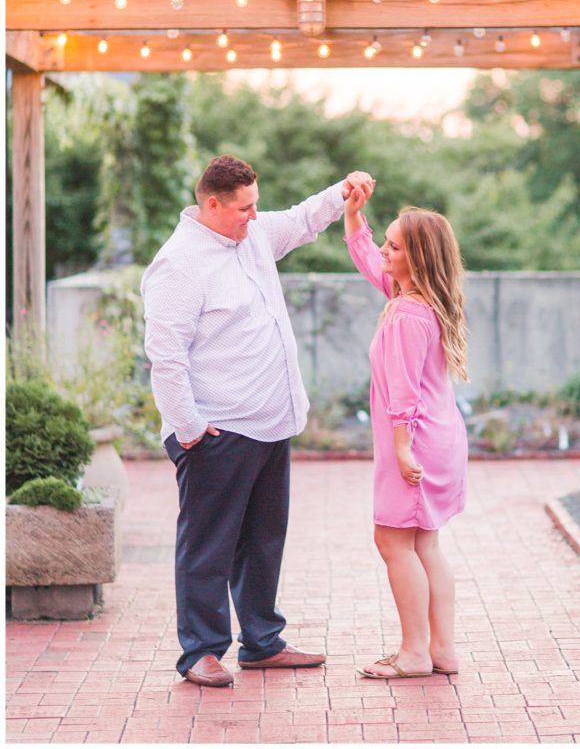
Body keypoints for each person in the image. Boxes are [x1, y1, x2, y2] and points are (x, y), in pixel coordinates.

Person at [141, 154, 374, 687]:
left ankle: (262, 642)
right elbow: (167, 357)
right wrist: (191, 430)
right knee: (207, 546)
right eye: (244, 207)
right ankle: (200, 651)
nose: (254, 214)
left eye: (256, 204)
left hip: (271, 423)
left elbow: (301, 218)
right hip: (217, 433)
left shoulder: (253, 235)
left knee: (264, 540)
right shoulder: (179, 264)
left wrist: (344, 191)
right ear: (213, 203)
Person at [343, 188, 469, 679]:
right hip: (437, 439)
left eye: (393, 246)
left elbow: (403, 391)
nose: (384, 253)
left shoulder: (404, 314)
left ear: (415, 258)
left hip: (415, 442)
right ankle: (442, 650)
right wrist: (354, 217)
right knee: (424, 545)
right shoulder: (419, 300)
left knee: (394, 542)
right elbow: (369, 262)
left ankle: (415, 653)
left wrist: (399, 447)